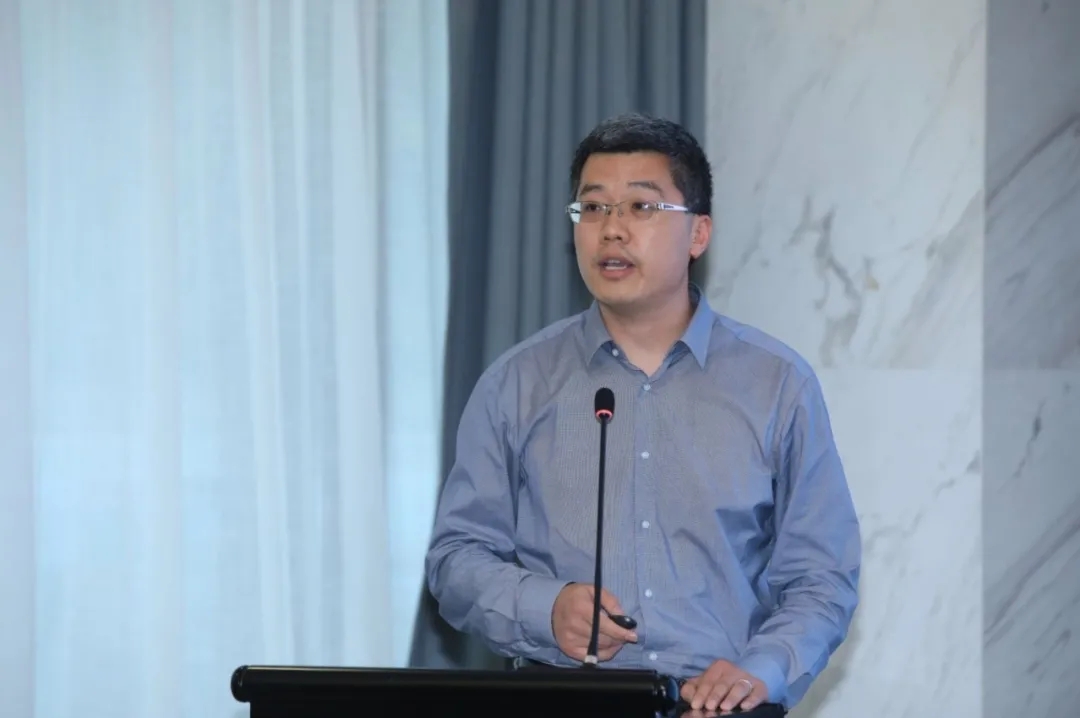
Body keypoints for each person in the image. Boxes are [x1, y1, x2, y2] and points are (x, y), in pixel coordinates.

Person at [425, 113, 861, 713]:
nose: (612, 229)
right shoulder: (516, 384)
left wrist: (759, 672)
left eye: (641, 207)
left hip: (719, 706)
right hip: (563, 699)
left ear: (698, 233)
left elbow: (821, 575)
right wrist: (544, 608)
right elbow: (455, 560)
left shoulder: (776, 384)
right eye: (592, 208)